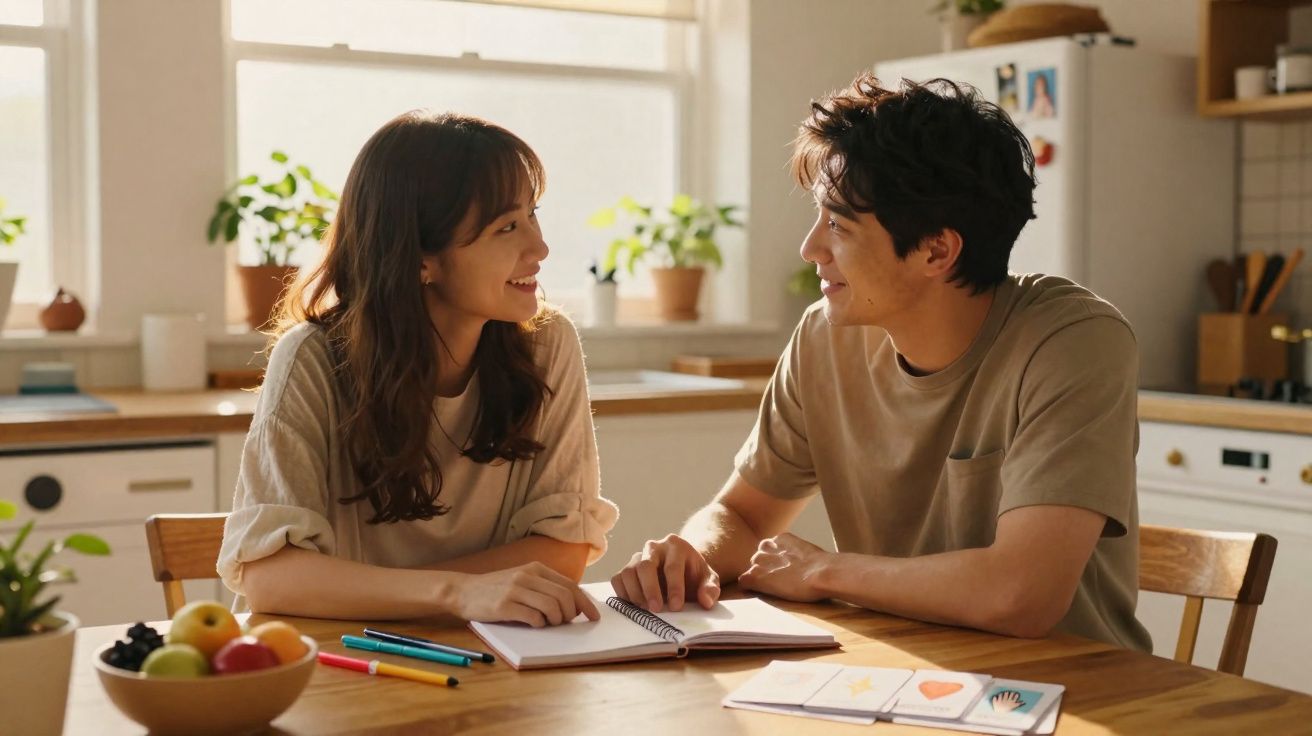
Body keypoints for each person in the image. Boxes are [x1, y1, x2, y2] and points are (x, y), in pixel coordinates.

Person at [611, 74, 1152, 651]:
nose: (810, 248)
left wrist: (824, 571)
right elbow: (741, 516)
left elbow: (1021, 595)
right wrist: (690, 557)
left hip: (1073, 694)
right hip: (901, 674)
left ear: (936, 250)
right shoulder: (825, 338)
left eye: (838, 225)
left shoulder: (1072, 341)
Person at [218, 111, 618, 628]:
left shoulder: (546, 344)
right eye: (507, 227)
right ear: (420, 259)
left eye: (532, 215)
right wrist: (457, 593)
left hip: (491, 657)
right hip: (344, 663)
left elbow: (564, 550)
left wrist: (439, 595)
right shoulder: (313, 360)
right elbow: (270, 578)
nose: (539, 248)